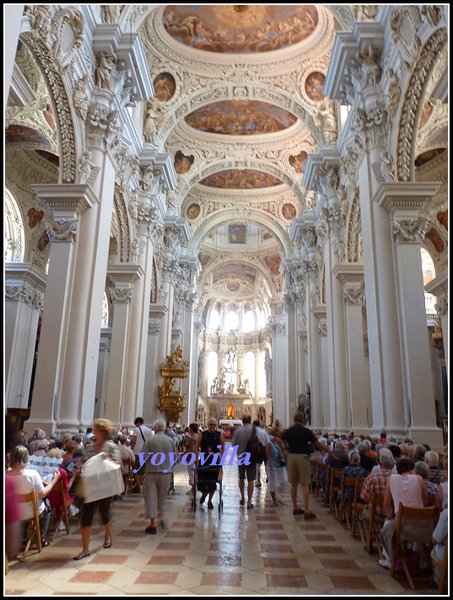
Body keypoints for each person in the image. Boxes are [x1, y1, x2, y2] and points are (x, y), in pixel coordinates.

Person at [73, 418, 121, 560]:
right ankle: (85, 549)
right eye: (94, 429)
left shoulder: (112, 447)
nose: (95, 432)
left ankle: (107, 535)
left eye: (97, 429)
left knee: (104, 513)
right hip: (90, 485)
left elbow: (117, 465)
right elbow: (84, 463)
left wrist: (107, 460)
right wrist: (80, 465)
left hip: (105, 485)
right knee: (86, 516)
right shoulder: (88, 447)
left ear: (104, 432)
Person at [282, 412, 335, 519]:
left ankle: (295, 507)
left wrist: (285, 450)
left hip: (291, 457)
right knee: (305, 484)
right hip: (303, 457)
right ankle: (306, 510)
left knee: (293, 484)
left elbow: (282, 439)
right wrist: (329, 451)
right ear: (302, 420)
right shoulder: (306, 431)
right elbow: (317, 443)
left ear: (294, 420)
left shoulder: (288, 430)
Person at [7, 445, 61, 548]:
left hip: (13, 512)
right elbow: (42, 494)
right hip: (31, 512)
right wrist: (54, 481)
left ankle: (22, 538)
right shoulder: (32, 474)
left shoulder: (6, 474)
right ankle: (41, 538)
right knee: (47, 507)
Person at [378, 457, 426, 569]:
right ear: (411, 468)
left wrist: (389, 516)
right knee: (417, 524)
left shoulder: (392, 479)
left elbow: (386, 504)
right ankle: (418, 558)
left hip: (402, 524)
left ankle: (389, 559)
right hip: (422, 524)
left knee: (387, 525)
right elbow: (425, 501)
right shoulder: (419, 478)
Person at [141, 419, 176, 533]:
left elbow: (143, 455)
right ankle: (161, 517)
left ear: (155, 428)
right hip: (166, 473)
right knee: (162, 496)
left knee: (151, 497)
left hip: (151, 472)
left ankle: (152, 525)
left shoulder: (150, 440)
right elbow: (175, 456)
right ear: (164, 428)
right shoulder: (170, 440)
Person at [194, 417, 225, 510]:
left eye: (214, 425)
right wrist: (196, 457)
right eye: (210, 424)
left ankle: (210, 501)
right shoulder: (201, 434)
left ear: (216, 426)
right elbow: (196, 446)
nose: (212, 426)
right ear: (207, 425)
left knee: (213, 481)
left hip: (214, 461)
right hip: (204, 460)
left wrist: (222, 458)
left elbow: (223, 447)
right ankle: (204, 493)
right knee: (202, 479)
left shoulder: (219, 435)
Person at [231, 415, 256, 509]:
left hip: (241, 456)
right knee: (251, 480)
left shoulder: (238, 430)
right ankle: (249, 502)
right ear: (250, 420)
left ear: (242, 421)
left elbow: (233, 445)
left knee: (241, 478)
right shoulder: (254, 429)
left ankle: (242, 498)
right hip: (252, 457)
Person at [131, 417, 153, 493]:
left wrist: (131, 449)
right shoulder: (149, 430)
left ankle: (138, 486)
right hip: (145, 452)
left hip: (137, 451)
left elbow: (134, 441)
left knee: (135, 469)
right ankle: (139, 485)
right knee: (142, 470)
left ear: (138, 423)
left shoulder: (136, 429)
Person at [267, 427, 287, 506]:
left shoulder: (279, 441)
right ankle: (274, 499)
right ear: (275, 433)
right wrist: (271, 464)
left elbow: (282, 451)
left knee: (284, 481)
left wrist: (283, 457)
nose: (280, 433)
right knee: (272, 482)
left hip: (280, 464)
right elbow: (268, 454)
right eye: (278, 432)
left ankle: (278, 495)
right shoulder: (270, 442)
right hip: (272, 465)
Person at [185, 423, 199, 495]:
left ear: (191, 429)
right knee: (194, 473)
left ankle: (193, 489)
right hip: (196, 457)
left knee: (191, 474)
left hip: (191, 458)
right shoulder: (198, 437)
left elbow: (192, 449)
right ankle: (193, 488)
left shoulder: (192, 438)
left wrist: (185, 452)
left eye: (189, 428)